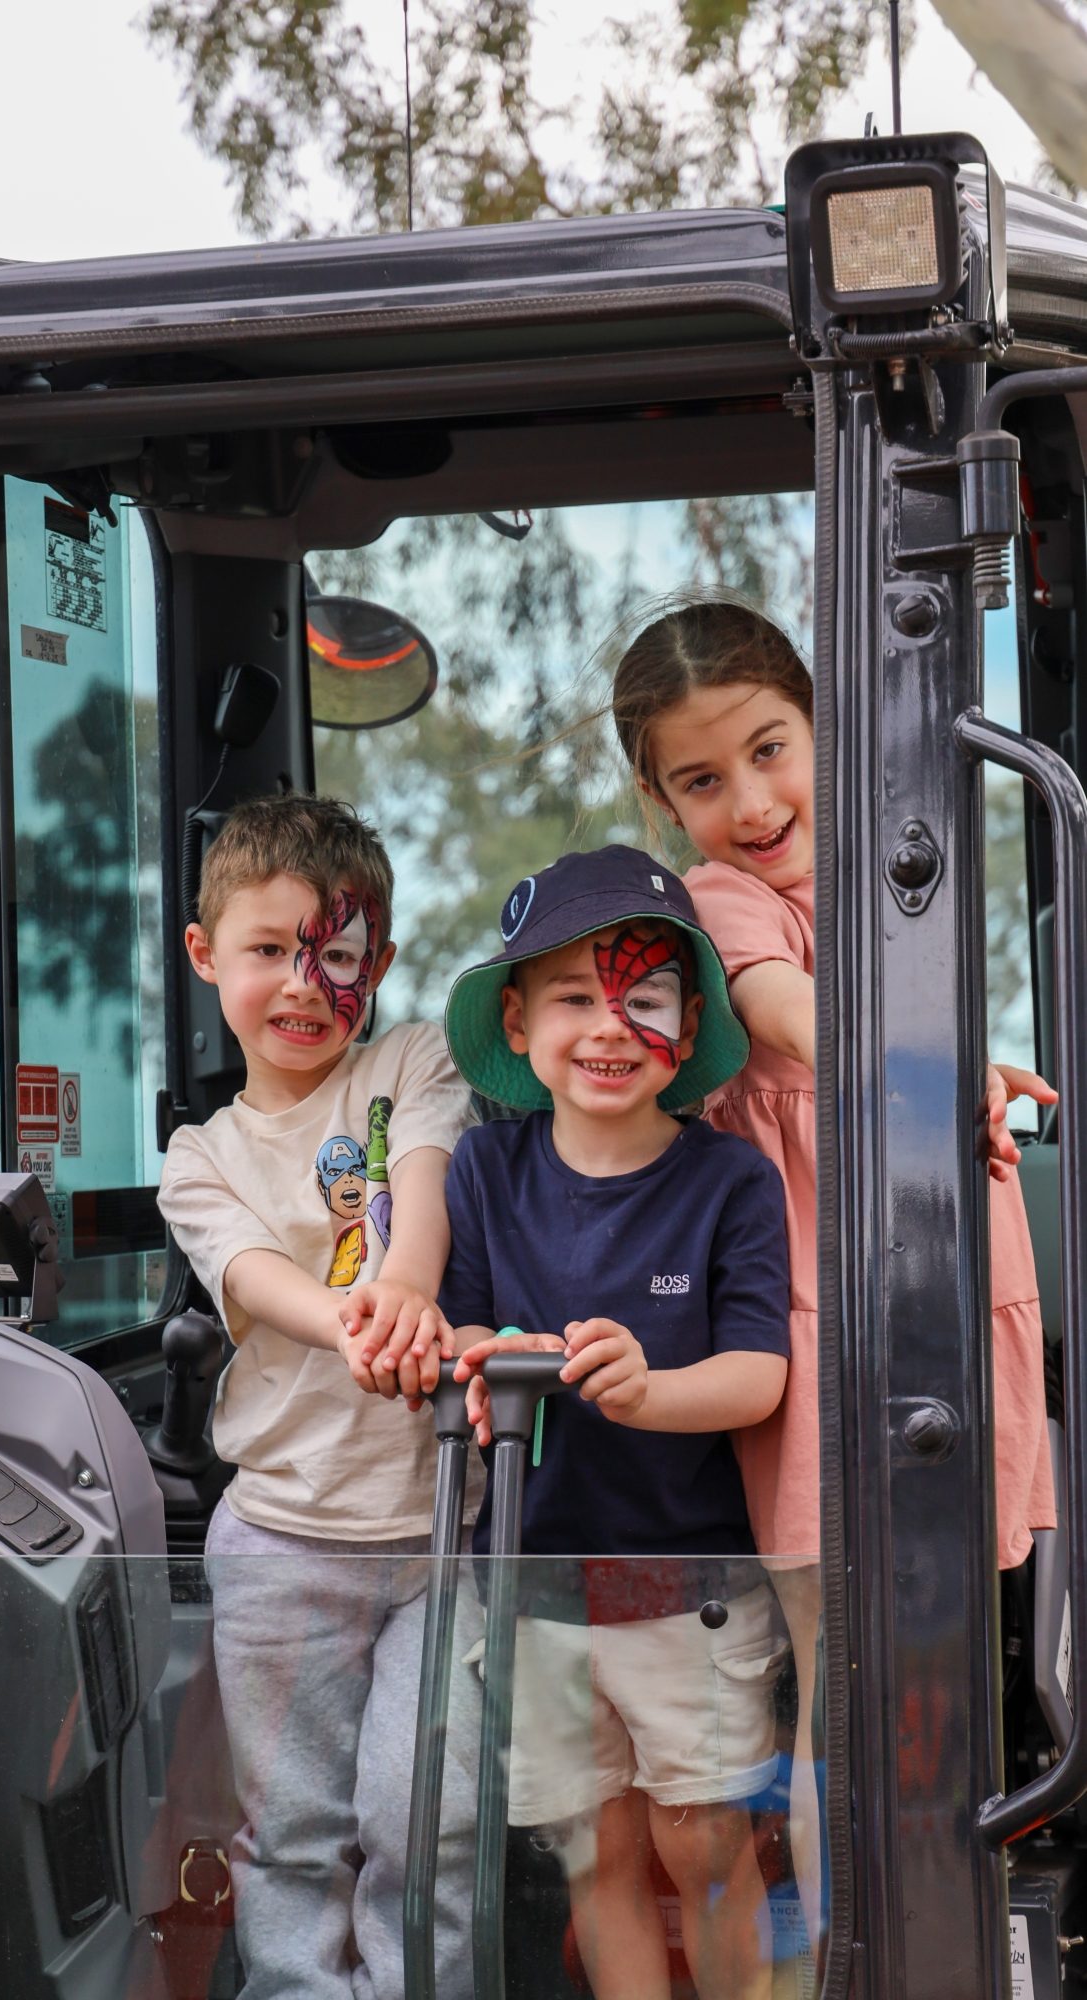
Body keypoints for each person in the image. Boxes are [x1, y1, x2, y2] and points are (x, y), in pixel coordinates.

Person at [610, 593, 1057, 1953]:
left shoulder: (892, 870)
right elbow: (777, 1011)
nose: (748, 800)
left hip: (947, 1297)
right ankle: (874, 1956)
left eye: (770, 748)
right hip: (831, 1324)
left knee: (952, 1676)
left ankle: (956, 1930)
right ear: (659, 798)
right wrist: (930, 1067)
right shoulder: (724, 900)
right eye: (701, 778)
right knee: (848, 1682)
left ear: (826, 728)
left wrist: (969, 1078)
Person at [440, 845, 793, 2000]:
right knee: (595, 1846)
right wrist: (484, 1361)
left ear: (687, 1031)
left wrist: (648, 1389)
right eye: (575, 997)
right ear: (518, 1018)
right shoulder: (484, 1171)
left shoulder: (729, 1181)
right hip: (534, 1582)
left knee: (699, 1836)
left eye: (643, 998)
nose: (608, 1026)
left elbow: (757, 1373)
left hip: (687, 1580)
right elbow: (459, 1347)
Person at [157, 792, 479, 2000]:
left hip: (438, 1539)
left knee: (426, 1822)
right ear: (204, 955)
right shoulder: (201, 1157)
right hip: (283, 1542)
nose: (304, 983)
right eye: (268, 951)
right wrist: (366, 1319)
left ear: (378, 963)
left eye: (335, 955)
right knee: (288, 1834)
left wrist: (405, 1279)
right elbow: (254, 1275)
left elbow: (426, 1173)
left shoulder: (407, 1063)